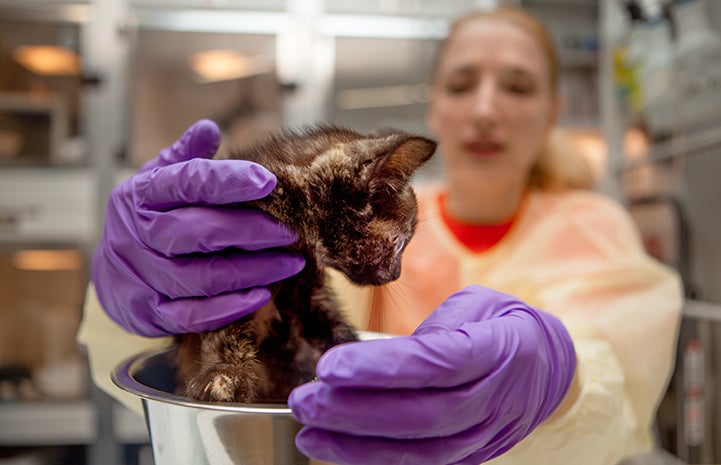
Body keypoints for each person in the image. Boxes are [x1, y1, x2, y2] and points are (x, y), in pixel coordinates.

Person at [78, 6, 683, 465]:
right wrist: (132, 297)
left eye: (518, 86)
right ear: (435, 105)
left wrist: (562, 376)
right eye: (462, 83)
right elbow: (208, 385)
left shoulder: (593, 225)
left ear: (552, 113)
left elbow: (623, 389)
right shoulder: (369, 215)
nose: (485, 110)